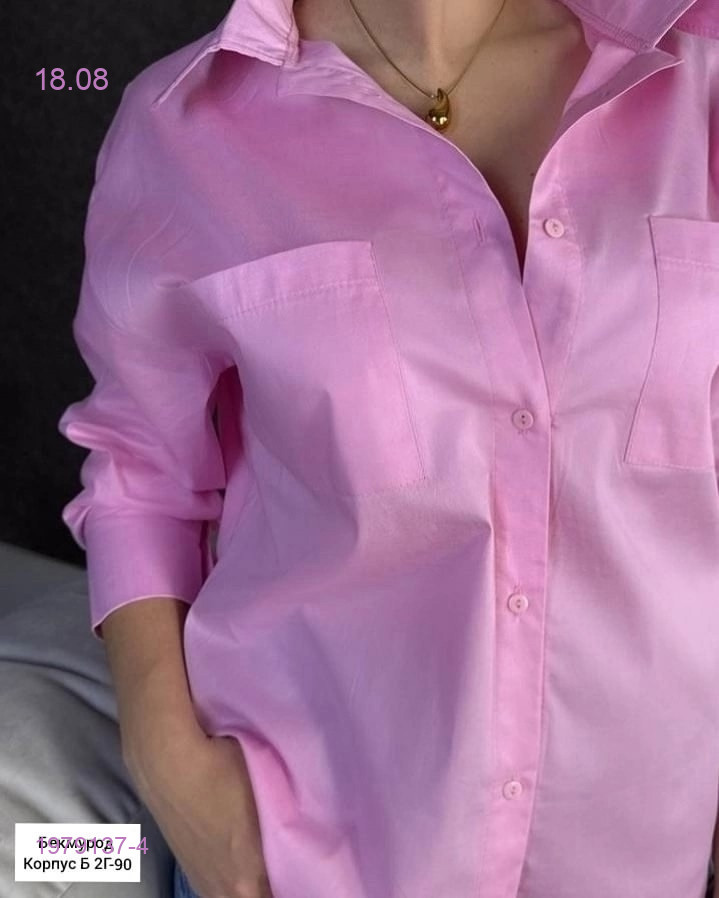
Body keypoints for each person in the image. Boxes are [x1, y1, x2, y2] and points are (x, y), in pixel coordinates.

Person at [57, 0, 719, 895]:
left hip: (643, 855)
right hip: (302, 853)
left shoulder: (698, 77)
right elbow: (139, 472)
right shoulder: (181, 125)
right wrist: (170, 766)